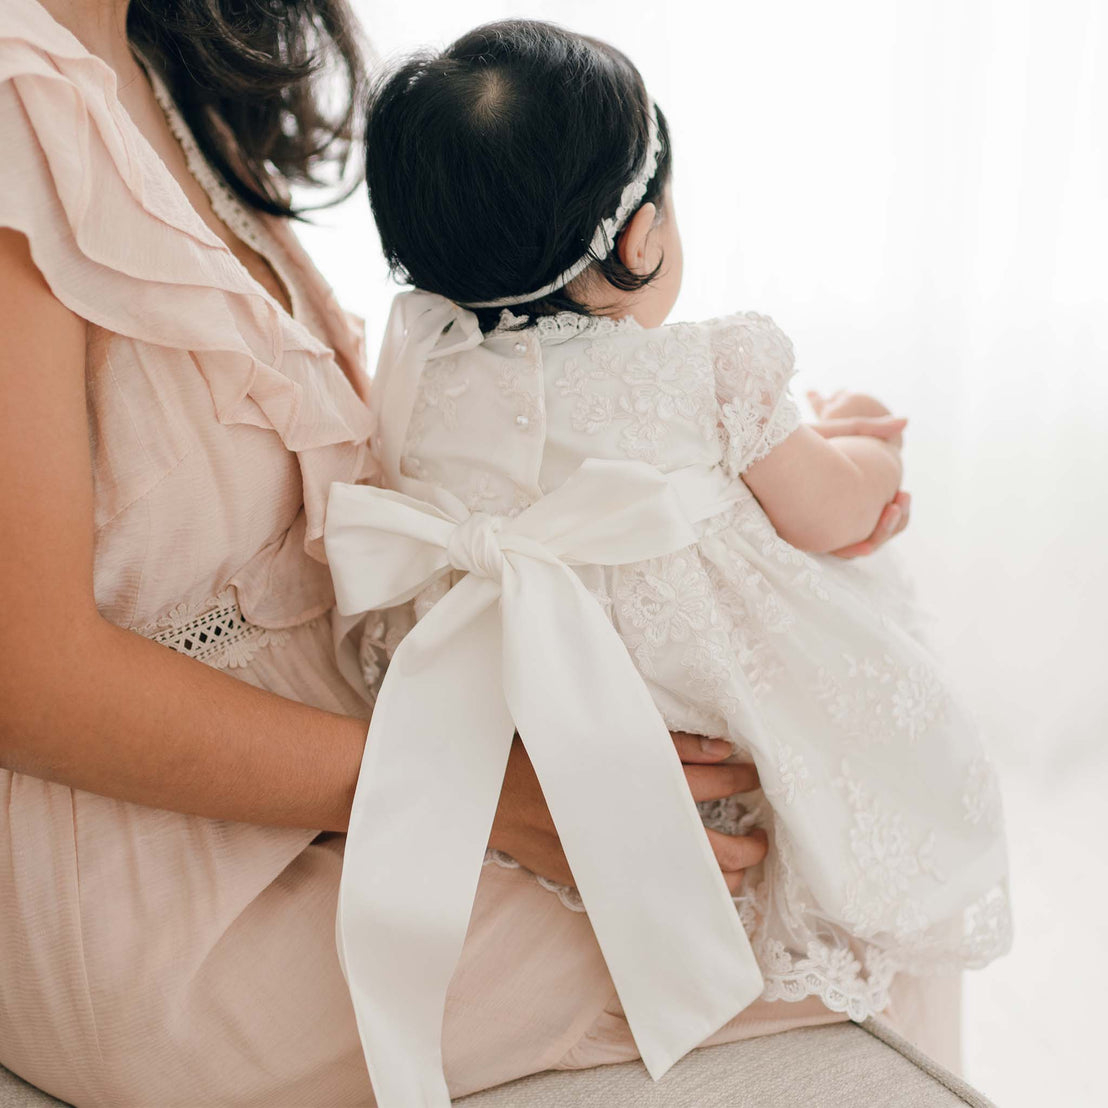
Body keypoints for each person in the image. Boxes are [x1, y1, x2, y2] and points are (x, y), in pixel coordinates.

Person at [0, 1, 924, 1106]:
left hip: (360, 752)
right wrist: (475, 785)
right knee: (868, 905)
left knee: (834, 838)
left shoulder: (159, 47)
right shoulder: (23, 107)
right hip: (177, 892)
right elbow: (26, 674)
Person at [322, 18, 1014, 1104]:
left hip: (532, 730)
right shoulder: (711, 370)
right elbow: (829, 514)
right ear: (640, 236)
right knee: (875, 766)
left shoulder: (426, 369)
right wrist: (866, 448)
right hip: (720, 731)